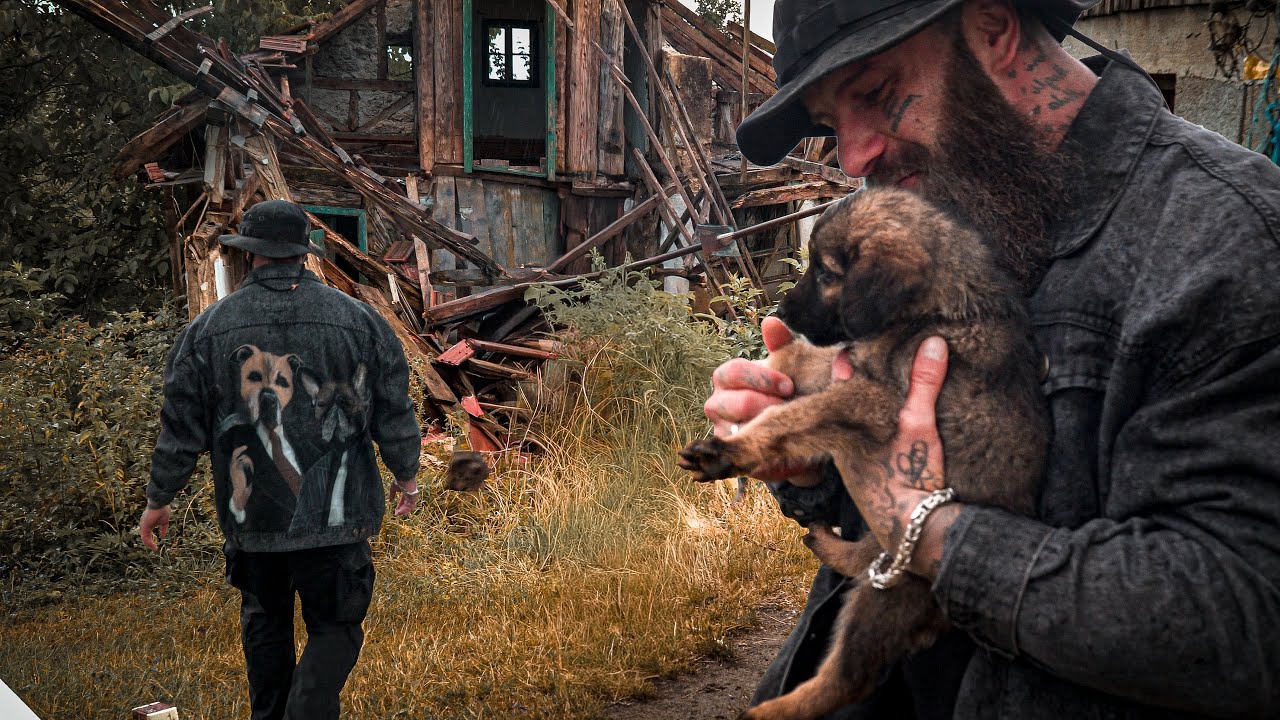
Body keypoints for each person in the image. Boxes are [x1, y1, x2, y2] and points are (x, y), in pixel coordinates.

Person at [709, 0, 1280, 717]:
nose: (852, 156)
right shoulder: (936, 206)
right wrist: (816, 465)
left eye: (876, 94)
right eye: (830, 125)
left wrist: (926, 530)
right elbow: (905, 462)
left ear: (994, 30)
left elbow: (1240, 621)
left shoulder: (1230, 241)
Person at [139, 199, 423, 720]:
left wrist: (160, 498)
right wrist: (407, 474)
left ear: (251, 256)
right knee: (335, 626)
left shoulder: (208, 329)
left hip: (254, 520)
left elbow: (181, 425)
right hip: (336, 520)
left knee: (265, 623)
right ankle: (308, 711)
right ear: (302, 254)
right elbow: (394, 407)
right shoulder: (359, 320)